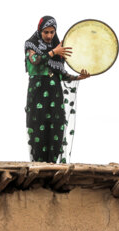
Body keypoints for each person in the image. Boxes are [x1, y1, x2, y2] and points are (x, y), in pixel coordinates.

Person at [24, 16, 90, 163]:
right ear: (40, 30)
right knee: (38, 127)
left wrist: (79, 77)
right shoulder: (31, 44)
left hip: (55, 93)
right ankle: (39, 164)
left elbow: (62, 74)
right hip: (38, 92)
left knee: (57, 125)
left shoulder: (57, 47)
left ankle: (53, 163)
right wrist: (54, 52)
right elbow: (35, 61)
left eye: (52, 32)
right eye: (46, 32)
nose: (49, 36)